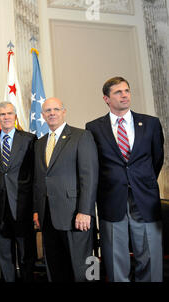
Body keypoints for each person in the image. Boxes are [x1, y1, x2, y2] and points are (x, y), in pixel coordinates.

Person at [86, 77, 165, 282]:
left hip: (144, 198)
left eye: (127, 91)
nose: (124, 95)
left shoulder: (150, 123)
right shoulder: (94, 128)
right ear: (106, 98)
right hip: (111, 200)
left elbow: (157, 158)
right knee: (115, 258)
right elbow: (94, 165)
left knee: (149, 255)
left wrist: (141, 181)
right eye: (118, 92)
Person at [33, 97, 98, 282]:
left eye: (56, 109)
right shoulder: (39, 143)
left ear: (64, 112)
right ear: (43, 116)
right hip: (48, 217)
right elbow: (39, 180)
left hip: (75, 215)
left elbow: (89, 177)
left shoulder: (81, 136)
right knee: (55, 267)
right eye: (47, 111)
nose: (52, 113)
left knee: (83, 267)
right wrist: (37, 210)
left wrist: (85, 211)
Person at [0, 101, 37, 282]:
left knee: (26, 252)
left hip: (23, 205)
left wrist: (36, 207)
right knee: (5, 253)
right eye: (2, 114)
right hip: (0, 205)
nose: (6, 117)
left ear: (15, 116)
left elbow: (35, 174)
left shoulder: (29, 139)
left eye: (9, 114)